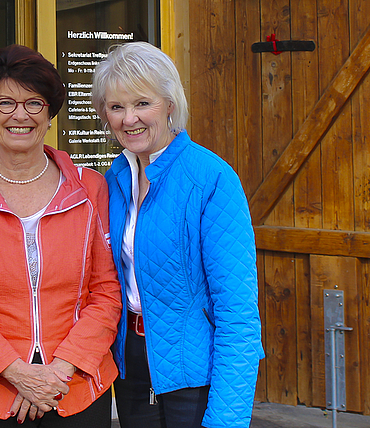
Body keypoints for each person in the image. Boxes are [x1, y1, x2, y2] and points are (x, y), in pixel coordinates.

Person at [0, 44, 122, 428]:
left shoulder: (90, 188)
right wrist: (17, 373)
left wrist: (58, 373)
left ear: (50, 114)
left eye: (34, 103)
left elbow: (106, 292)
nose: (19, 115)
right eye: (5, 103)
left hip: (77, 385)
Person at [91, 41, 265, 428]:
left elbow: (237, 314)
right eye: (116, 107)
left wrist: (227, 418)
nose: (129, 118)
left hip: (195, 374)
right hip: (131, 366)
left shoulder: (210, 178)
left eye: (142, 103)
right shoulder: (113, 180)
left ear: (169, 104)